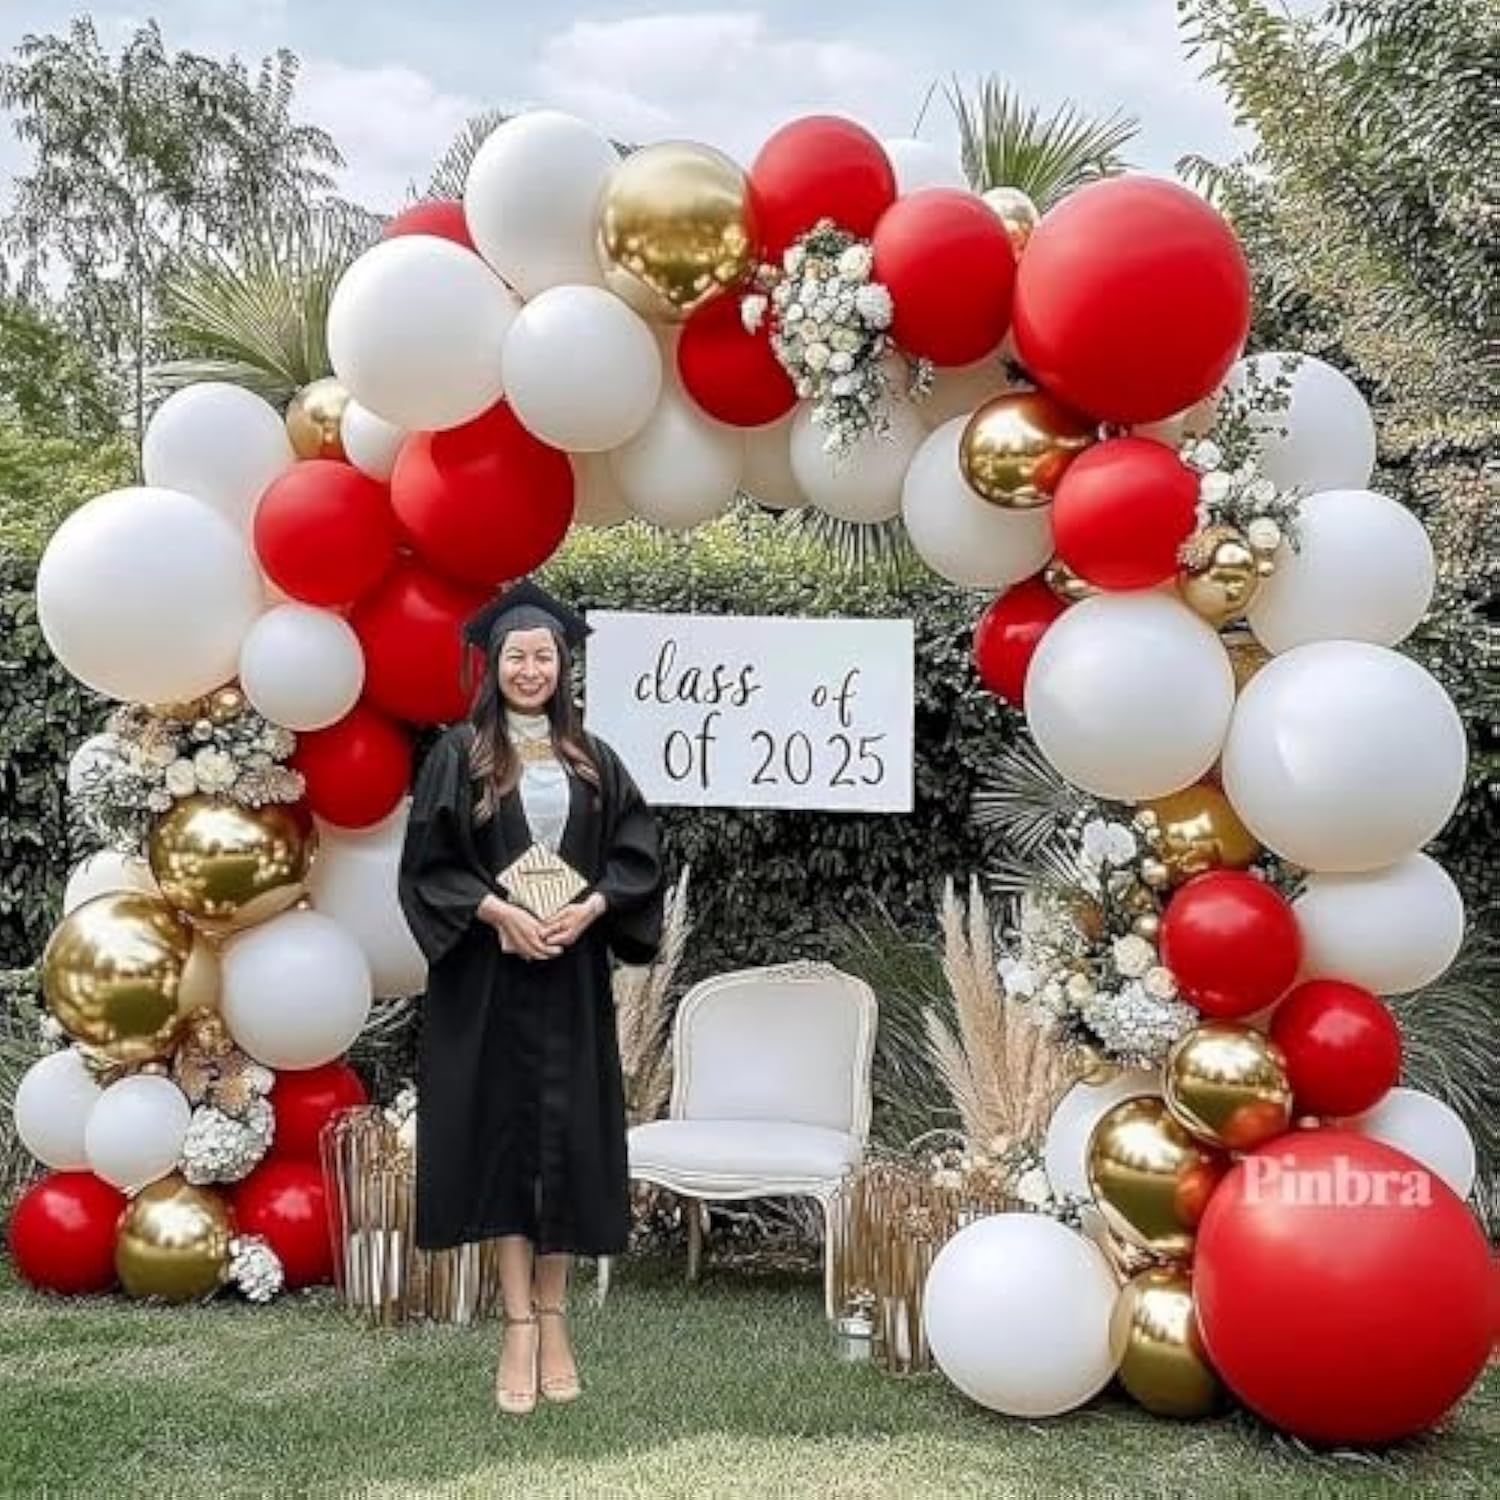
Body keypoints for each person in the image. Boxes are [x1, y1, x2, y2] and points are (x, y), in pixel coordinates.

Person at [398, 579, 665, 1415]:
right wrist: (498, 913)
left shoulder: (592, 755)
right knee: (507, 1142)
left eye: (543, 655)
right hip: (488, 981)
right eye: (516, 655)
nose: (529, 668)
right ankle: (518, 1323)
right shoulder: (459, 754)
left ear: (563, 664)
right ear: (493, 664)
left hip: (569, 977)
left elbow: (637, 851)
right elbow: (429, 866)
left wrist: (589, 908)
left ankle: (556, 1318)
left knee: (567, 1144)